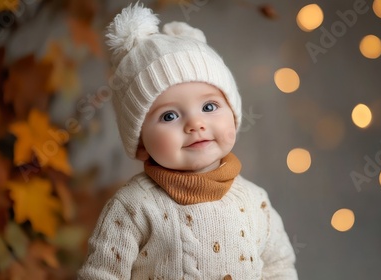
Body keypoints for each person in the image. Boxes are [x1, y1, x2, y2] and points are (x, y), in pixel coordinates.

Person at [78, 2, 298, 279]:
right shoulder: (133, 207)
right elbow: (102, 274)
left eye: (209, 107)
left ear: (233, 112)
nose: (195, 124)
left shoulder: (255, 201)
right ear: (141, 142)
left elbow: (278, 267)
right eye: (169, 116)